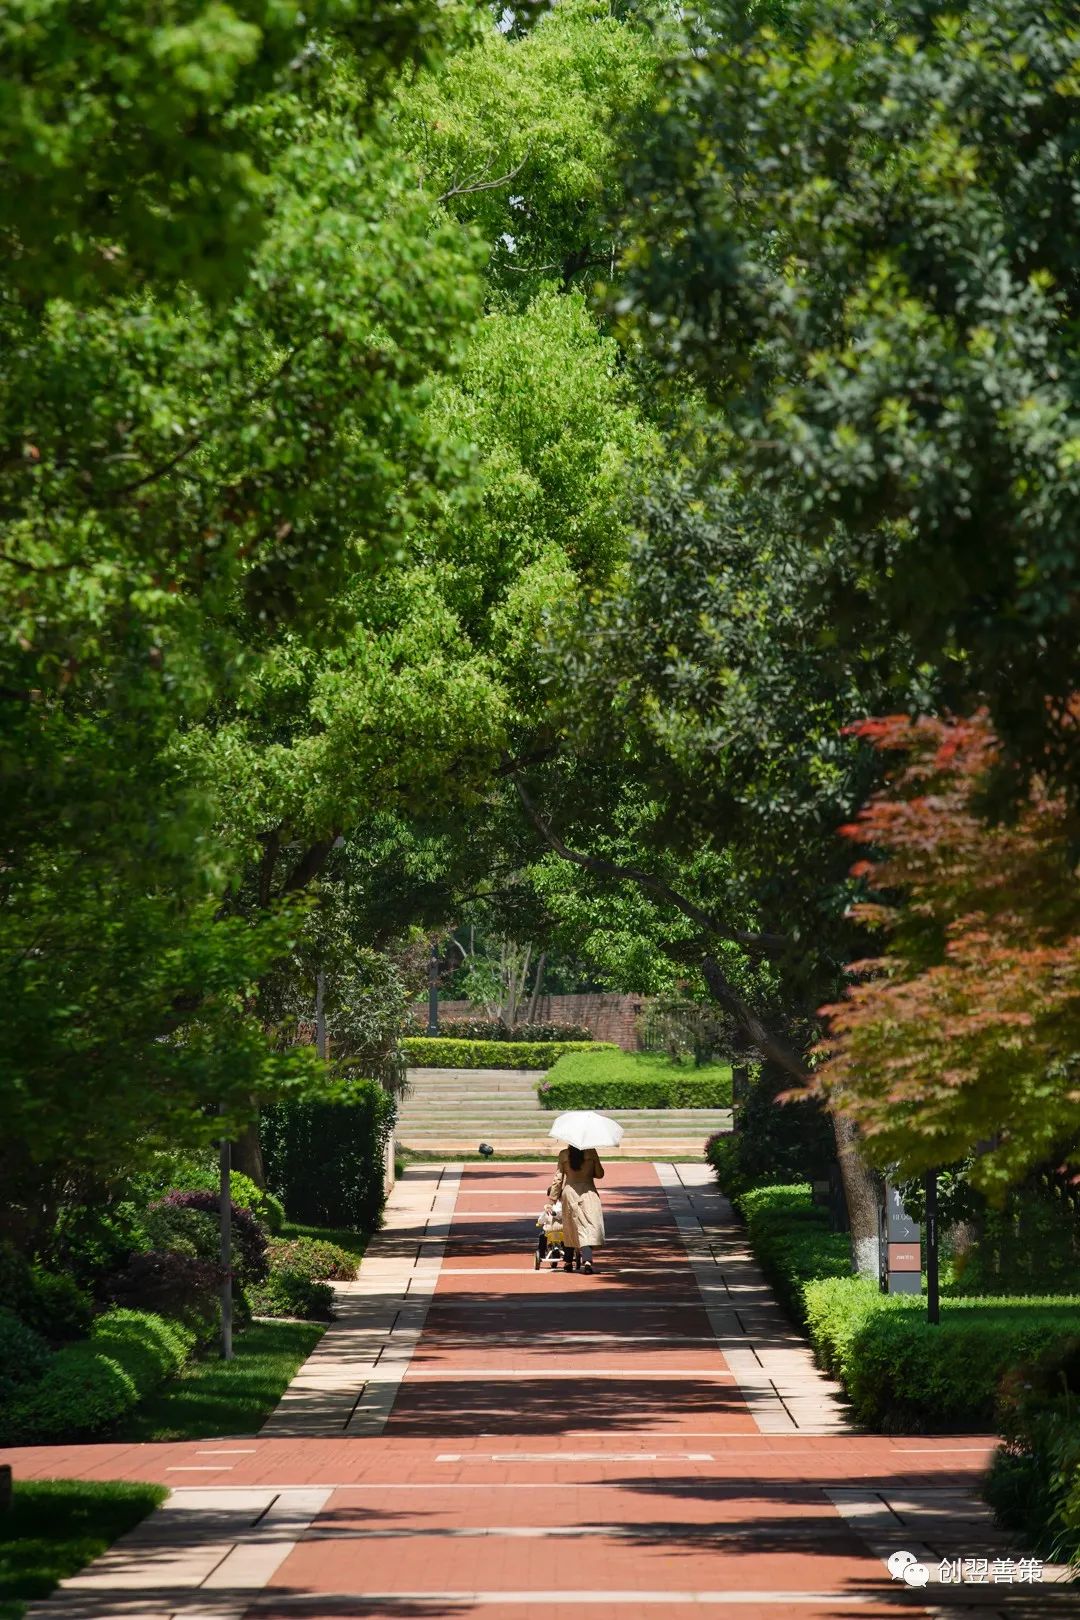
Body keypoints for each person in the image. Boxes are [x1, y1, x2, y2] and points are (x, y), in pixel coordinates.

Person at [548, 1144, 605, 1274]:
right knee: (589, 1227)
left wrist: (552, 1200)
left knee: (570, 1227)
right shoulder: (591, 1153)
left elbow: (558, 1180)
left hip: (570, 1192)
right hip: (588, 1191)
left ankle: (568, 1261)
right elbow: (600, 1174)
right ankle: (588, 1260)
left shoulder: (564, 1155)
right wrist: (593, 1161)